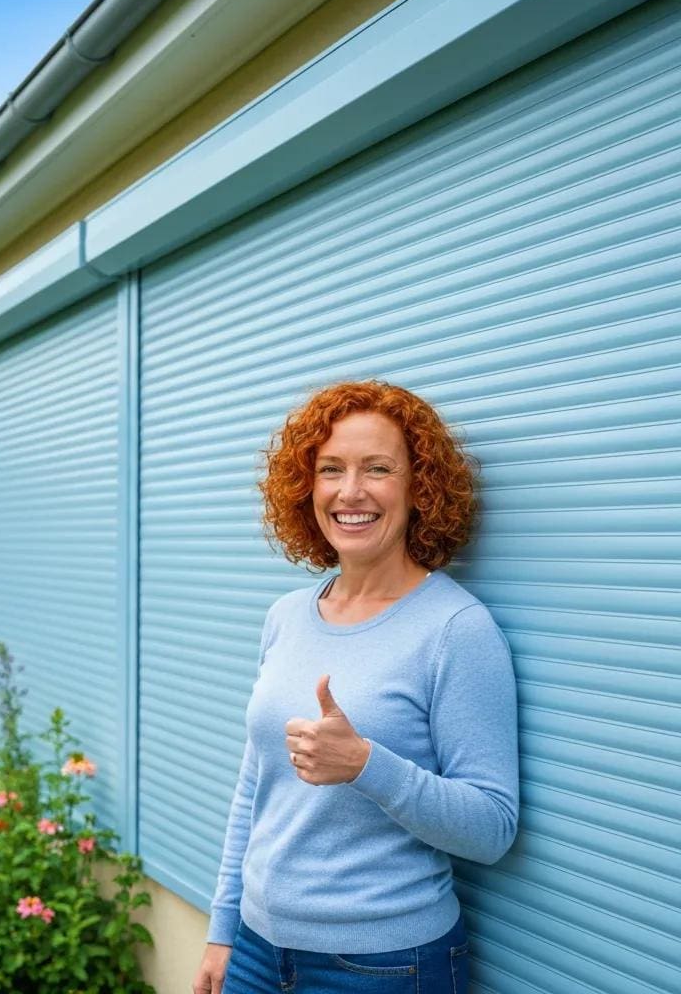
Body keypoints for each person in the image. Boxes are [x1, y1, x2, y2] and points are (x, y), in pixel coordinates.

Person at [192, 380, 520, 994]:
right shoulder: (286, 615)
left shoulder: (456, 630)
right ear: (306, 487)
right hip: (258, 951)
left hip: (384, 965)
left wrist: (366, 763)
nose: (351, 491)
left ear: (419, 486)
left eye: (378, 469)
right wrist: (224, 927)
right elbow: (253, 788)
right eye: (331, 469)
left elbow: (491, 828)